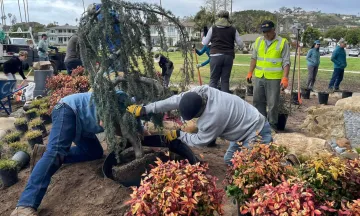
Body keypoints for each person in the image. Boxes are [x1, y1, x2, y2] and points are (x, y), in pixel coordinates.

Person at [11, 91, 128, 216]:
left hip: (82, 126)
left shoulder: (131, 110)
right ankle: (24, 205)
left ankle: (44, 155)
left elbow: (130, 128)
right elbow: (105, 122)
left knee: (95, 152)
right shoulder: (121, 98)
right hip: (68, 109)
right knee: (56, 152)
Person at [126, 85, 272, 165]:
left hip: (255, 131)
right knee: (229, 160)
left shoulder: (214, 118)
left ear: (198, 114)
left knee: (249, 166)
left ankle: (285, 163)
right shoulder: (201, 92)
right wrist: (146, 109)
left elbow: (201, 140)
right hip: (241, 128)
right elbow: (174, 100)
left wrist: (179, 134)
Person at [246, 20, 290, 130]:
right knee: (257, 101)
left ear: (273, 30)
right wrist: (250, 72)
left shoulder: (282, 42)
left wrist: (285, 78)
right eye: (264, 32)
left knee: (273, 104)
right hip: (260, 76)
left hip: (274, 78)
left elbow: (286, 62)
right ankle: (261, 125)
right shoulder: (259, 41)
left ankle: (272, 126)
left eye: (268, 32)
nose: (266, 34)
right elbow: (254, 58)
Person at [202, 10, 244, 93]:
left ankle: (212, 101)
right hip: (228, 56)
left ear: (218, 17)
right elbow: (241, 44)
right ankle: (224, 103)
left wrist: (203, 37)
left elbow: (205, 43)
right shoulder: (233, 29)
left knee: (214, 80)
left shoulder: (213, 28)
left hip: (215, 56)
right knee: (225, 81)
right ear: (228, 18)